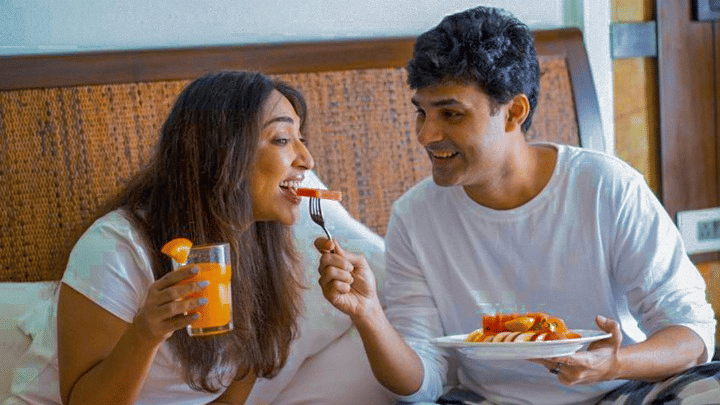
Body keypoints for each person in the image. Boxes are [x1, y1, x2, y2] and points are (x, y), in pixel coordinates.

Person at [315, 6, 720, 405]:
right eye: (421, 112)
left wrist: (615, 364)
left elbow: (692, 331)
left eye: (451, 114)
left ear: (514, 112)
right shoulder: (414, 217)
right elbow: (422, 385)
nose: (426, 134)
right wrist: (369, 315)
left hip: (620, 391)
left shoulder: (605, 188)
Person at [5, 70, 315, 404]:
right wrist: (146, 332)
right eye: (282, 139)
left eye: (302, 139)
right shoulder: (116, 247)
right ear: (222, 152)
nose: (307, 160)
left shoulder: (270, 257)